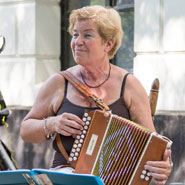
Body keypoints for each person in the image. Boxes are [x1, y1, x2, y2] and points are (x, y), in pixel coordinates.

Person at [20, 5, 172, 185]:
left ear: (108, 43)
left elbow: (152, 145)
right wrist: (52, 123)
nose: (78, 41)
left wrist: (163, 166)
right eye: (75, 34)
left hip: (116, 181)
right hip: (65, 177)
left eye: (87, 35)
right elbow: (25, 131)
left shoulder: (129, 85)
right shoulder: (59, 82)